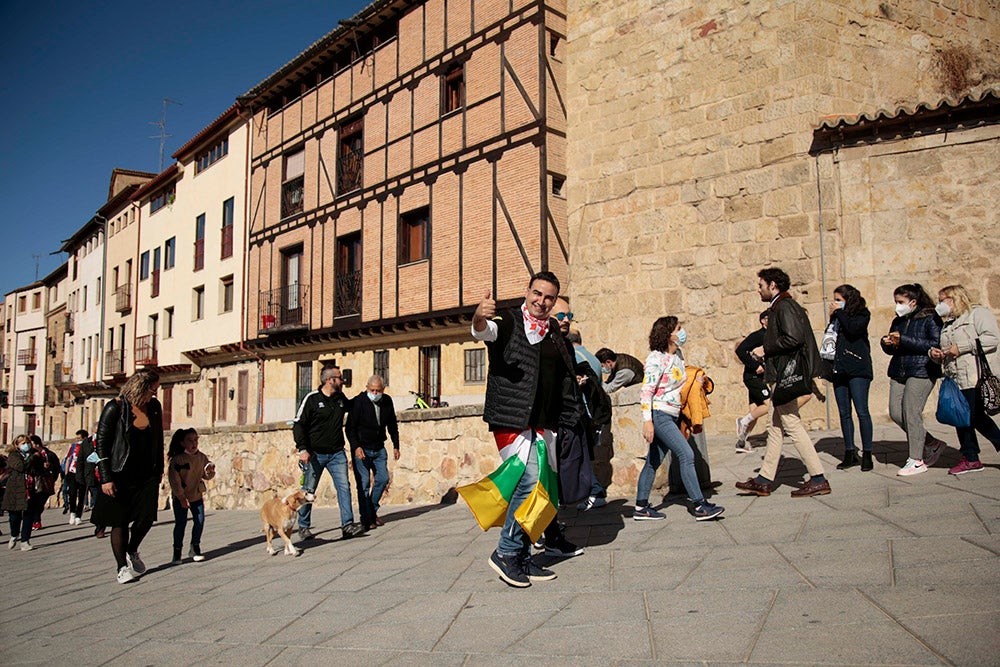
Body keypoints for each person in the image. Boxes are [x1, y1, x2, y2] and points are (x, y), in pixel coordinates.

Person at [459, 272, 581, 588]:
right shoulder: (511, 321)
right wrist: (478, 317)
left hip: (544, 424)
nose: (542, 301)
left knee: (540, 489)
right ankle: (506, 552)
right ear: (527, 291)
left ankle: (522, 556)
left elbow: (564, 374)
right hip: (512, 420)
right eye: (537, 294)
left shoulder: (553, 331)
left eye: (549, 298)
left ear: (555, 302)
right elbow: (484, 332)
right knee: (528, 479)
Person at [736, 267, 831, 498]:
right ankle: (764, 480)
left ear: (773, 286)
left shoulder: (785, 306)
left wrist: (765, 348)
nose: (758, 289)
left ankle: (818, 478)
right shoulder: (781, 305)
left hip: (786, 375)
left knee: (791, 424)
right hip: (782, 374)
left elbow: (794, 338)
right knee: (776, 426)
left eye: (761, 285)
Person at [634, 316, 724, 521]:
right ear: (668, 334)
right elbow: (647, 391)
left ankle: (640, 507)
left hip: (672, 414)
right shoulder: (655, 359)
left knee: (653, 461)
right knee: (686, 454)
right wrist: (647, 420)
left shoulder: (678, 357)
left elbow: (678, 386)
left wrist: (697, 382)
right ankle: (699, 505)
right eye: (679, 329)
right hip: (659, 414)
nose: (682, 332)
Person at [93, 369, 165, 584]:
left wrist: (159, 468)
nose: (155, 394)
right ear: (141, 388)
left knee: (146, 518)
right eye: (153, 390)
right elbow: (102, 445)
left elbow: (158, 439)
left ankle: (132, 550)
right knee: (120, 521)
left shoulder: (153, 408)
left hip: (146, 473)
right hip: (119, 473)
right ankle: (122, 567)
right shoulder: (114, 408)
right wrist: (106, 478)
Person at [929, 285, 1000, 474]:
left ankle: (971, 456)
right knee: (962, 416)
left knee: (974, 417)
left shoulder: (977, 314)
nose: (939, 304)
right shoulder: (948, 323)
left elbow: (992, 338)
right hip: (956, 377)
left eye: (942, 300)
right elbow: (944, 347)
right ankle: (971, 458)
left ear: (954, 298)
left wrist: (961, 347)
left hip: (975, 375)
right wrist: (935, 353)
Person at [294, 366, 365, 541]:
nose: (343, 381)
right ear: (330, 380)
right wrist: (302, 449)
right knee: (308, 490)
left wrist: (367, 395)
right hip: (315, 454)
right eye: (340, 378)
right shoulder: (311, 399)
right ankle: (303, 526)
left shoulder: (340, 398)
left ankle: (347, 525)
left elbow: (353, 405)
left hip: (337, 453)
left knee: (344, 487)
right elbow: (298, 424)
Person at [880, 283, 944, 476]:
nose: (897, 306)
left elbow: (934, 343)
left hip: (922, 370)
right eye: (896, 302)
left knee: (911, 412)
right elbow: (895, 347)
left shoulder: (930, 318)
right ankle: (931, 443)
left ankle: (916, 460)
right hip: (899, 370)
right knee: (896, 413)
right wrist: (887, 343)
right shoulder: (898, 320)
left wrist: (904, 340)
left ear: (913, 302)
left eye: (901, 302)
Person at [826, 285, 875, 471]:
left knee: (862, 411)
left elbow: (853, 330)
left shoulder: (862, 314)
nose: (835, 303)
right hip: (839, 368)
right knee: (844, 412)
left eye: (839, 299)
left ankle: (867, 453)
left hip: (857, 368)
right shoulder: (838, 317)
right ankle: (849, 451)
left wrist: (839, 313)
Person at [346, 375, 399, 530]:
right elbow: (350, 428)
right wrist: (356, 447)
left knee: (382, 479)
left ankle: (371, 510)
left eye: (378, 390)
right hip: (362, 448)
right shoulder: (359, 402)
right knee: (363, 484)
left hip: (378, 448)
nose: (375, 393)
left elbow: (392, 424)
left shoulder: (387, 401)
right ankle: (366, 518)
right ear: (367, 388)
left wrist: (396, 445)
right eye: (372, 390)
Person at [167, 428, 216, 563]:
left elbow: (206, 475)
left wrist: (210, 471)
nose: (194, 443)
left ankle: (195, 547)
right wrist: (182, 498)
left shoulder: (201, 457)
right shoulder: (177, 460)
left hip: (196, 495)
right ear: (183, 443)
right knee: (180, 524)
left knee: (199, 521)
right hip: (181, 497)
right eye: (190, 440)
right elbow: (174, 481)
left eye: (196, 440)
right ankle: (177, 552)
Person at [734, 310, 770, 453]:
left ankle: (742, 443)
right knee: (769, 404)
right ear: (763, 321)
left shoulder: (770, 336)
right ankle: (742, 421)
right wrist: (756, 366)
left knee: (754, 411)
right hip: (752, 377)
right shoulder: (758, 335)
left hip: (759, 377)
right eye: (770, 318)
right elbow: (740, 350)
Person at [2, 436, 34, 550]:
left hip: (29, 488)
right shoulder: (13, 456)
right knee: (14, 516)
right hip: (16, 488)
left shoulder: (34, 455)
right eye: (23, 443)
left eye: (28, 442)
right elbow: (20, 467)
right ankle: (14, 534)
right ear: (17, 445)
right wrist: (31, 459)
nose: (26, 445)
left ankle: (25, 540)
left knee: (29, 515)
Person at [27, 435, 60, 531]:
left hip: (45, 483)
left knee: (40, 503)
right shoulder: (30, 455)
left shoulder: (49, 455)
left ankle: (36, 519)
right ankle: (36, 520)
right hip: (33, 482)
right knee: (34, 503)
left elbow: (56, 468)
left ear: (37, 444)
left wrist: (51, 472)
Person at [77, 432, 106, 538]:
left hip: (105, 477)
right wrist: (80, 476)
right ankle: (99, 525)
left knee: (102, 501)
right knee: (96, 500)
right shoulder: (87, 443)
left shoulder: (109, 439)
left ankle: (100, 526)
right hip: (91, 477)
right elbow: (80, 460)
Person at [64, 430, 88, 525]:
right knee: (72, 494)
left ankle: (78, 515)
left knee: (82, 495)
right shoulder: (73, 447)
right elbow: (69, 458)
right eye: (77, 438)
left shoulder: (88, 447)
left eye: (79, 438)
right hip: (72, 472)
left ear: (85, 438)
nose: (77, 440)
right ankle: (72, 513)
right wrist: (66, 473)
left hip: (82, 473)